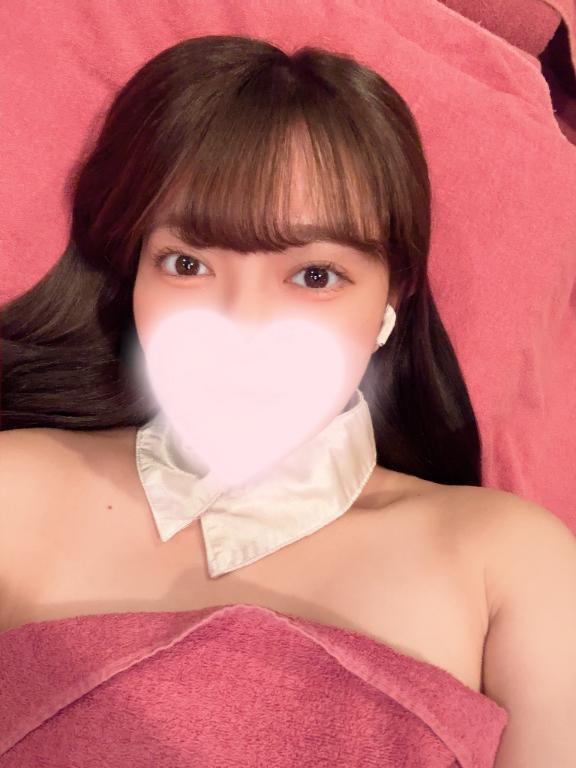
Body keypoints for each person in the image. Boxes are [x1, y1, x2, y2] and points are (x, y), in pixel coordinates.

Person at [1, 34, 575, 765]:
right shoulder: (14, 492)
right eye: (187, 264)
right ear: (132, 277)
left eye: (314, 277)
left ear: (392, 300)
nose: (243, 327)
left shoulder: (510, 562)